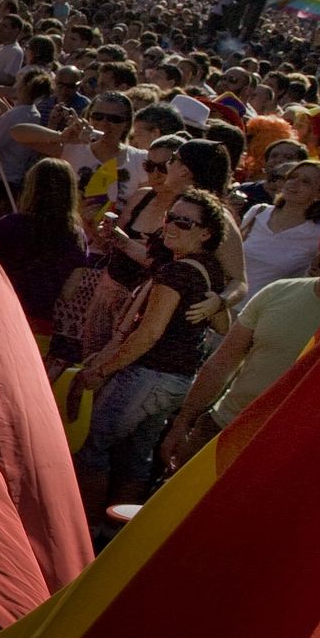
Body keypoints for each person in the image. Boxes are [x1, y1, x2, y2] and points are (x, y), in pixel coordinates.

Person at [161, 203, 320, 469]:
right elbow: (221, 363)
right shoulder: (277, 292)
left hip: (296, 457)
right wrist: (183, 421)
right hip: (223, 430)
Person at [73, 190, 232, 515]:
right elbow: (223, 324)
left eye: (185, 222)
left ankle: (85, 523)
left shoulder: (177, 273)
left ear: (206, 233)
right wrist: (218, 302)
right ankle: (114, 530)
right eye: (170, 217)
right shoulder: (208, 269)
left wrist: (102, 370)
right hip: (177, 382)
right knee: (136, 456)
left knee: (93, 445)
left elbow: (148, 335)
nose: (172, 225)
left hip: (149, 376)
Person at [237, 158, 320, 298]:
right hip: (230, 302)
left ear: (319, 195)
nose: (294, 183)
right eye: (292, 177)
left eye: (305, 182)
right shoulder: (258, 212)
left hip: (270, 306)